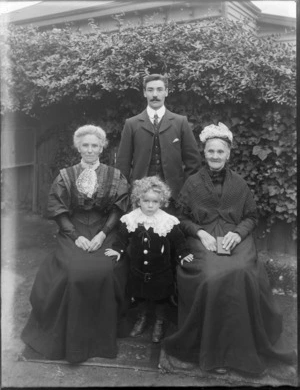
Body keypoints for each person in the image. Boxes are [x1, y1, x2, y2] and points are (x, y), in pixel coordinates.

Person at [160, 123, 296, 376]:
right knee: (211, 277)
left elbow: (252, 216)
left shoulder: (240, 184)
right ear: (204, 152)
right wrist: (200, 233)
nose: (214, 156)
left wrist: (237, 233)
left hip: (235, 237)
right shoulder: (192, 183)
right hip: (201, 239)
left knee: (243, 272)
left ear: (228, 154)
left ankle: (242, 350)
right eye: (210, 151)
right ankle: (214, 351)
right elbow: (182, 218)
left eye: (219, 152)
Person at [21, 125, 130, 364]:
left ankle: (102, 337)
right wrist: (75, 235)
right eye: (85, 145)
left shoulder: (115, 175)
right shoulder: (65, 176)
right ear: (78, 147)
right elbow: (58, 210)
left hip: (105, 229)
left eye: (94, 145)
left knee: (106, 269)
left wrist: (102, 235)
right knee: (73, 271)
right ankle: (68, 339)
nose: (90, 150)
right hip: (73, 228)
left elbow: (118, 209)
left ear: (102, 147)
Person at [105, 176, 193, 343]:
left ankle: (160, 322)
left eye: (155, 202)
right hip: (138, 270)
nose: (150, 205)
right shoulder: (132, 219)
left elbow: (178, 239)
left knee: (161, 297)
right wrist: (118, 249)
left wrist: (183, 253)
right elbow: (122, 237)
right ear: (139, 201)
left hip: (161, 271)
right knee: (140, 295)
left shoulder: (167, 221)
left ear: (162, 202)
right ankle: (142, 318)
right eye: (146, 201)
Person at [116, 73, 201, 202]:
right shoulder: (131, 124)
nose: (155, 94)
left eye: (159, 89)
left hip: (174, 197)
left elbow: (193, 163)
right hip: (140, 197)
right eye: (150, 90)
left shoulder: (180, 122)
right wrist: (127, 193)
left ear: (166, 92)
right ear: (144, 93)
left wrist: (185, 190)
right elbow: (123, 164)